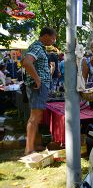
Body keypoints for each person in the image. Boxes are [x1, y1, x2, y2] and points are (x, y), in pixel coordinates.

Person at [23, 27, 57, 155]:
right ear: (46, 36)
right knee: (34, 117)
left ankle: (33, 145)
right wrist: (37, 80)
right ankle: (29, 149)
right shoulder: (37, 46)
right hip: (38, 87)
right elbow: (26, 62)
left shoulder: (39, 47)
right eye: (53, 38)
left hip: (39, 87)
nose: (53, 41)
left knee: (37, 117)